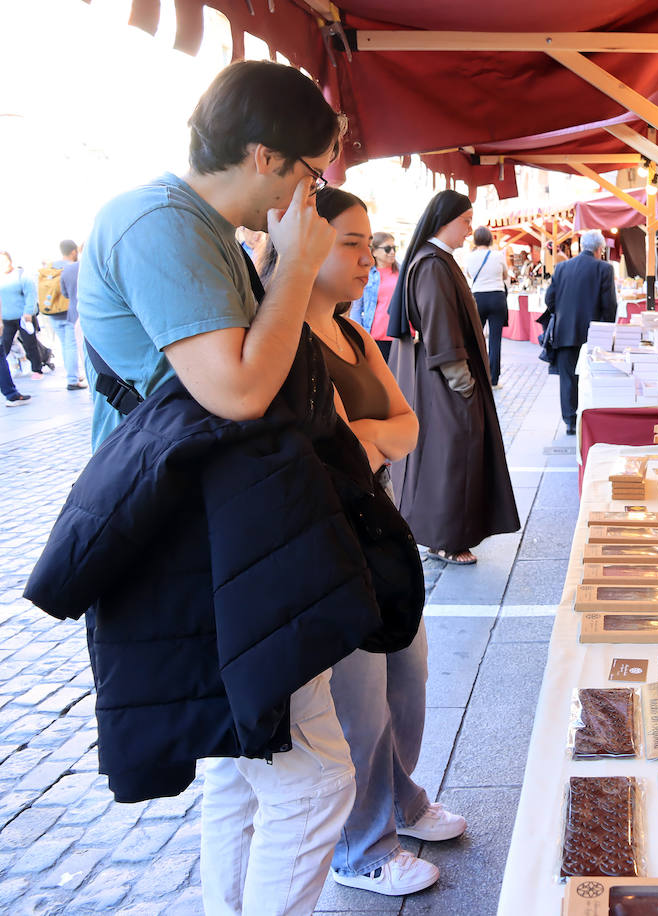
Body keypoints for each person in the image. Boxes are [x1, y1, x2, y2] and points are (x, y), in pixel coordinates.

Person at [66, 60, 360, 915]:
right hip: (193, 537)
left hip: (214, 533)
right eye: (313, 174)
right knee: (312, 784)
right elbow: (236, 390)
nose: (315, 195)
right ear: (268, 158)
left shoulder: (198, 229)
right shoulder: (162, 223)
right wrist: (296, 270)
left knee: (246, 766)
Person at [266, 187, 467, 896]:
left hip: (378, 530)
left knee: (406, 677)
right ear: (305, 242)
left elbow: (404, 427)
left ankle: (401, 798)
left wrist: (368, 440)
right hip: (326, 541)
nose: (368, 258)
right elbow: (321, 449)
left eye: (369, 242)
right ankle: (363, 848)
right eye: (351, 242)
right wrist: (369, 443)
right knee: (358, 699)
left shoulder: (350, 335)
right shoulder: (282, 337)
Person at [386, 190, 520, 565]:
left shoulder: (437, 260)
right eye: (465, 221)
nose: (469, 230)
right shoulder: (431, 265)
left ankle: (445, 534)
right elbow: (440, 327)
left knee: (450, 455)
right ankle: (445, 538)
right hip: (448, 382)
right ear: (445, 221)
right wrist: (463, 382)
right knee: (452, 456)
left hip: (447, 380)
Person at [544, 229, 618, 435]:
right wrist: (607, 329)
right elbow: (609, 304)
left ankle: (570, 421)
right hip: (593, 333)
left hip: (565, 331)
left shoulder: (562, 268)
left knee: (567, 377)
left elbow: (549, 300)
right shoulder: (604, 269)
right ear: (599, 249)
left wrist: (563, 313)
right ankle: (589, 417)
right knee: (591, 375)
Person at [465, 225, 508, 387]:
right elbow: (505, 275)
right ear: (490, 239)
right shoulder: (498, 255)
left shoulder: (470, 257)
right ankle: (494, 379)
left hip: (478, 297)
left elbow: (469, 274)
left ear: (475, 240)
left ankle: (475, 374)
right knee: (495, 340)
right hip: (497, 297)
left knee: (476, 338)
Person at [349, 231, 400, 361]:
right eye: (387, 249)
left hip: (400, 336)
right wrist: (359, 337)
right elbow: (356, 308)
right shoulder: (365, 274)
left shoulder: (403, 272)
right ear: (374, 252)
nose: (392, 252)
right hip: (375, 337)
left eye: (394, 248)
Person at [1, 251, 52, 380]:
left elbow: (31, 295)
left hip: (24, 317)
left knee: (30, 343)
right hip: (6, 318)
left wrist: (28, 311)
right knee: (4, 344)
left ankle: (37, 369)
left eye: (5, 261)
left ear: (10, 261)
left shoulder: (21, 276)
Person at [53, 240, 86, 390]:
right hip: (84, 313)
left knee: (70, 347)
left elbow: (65, 293)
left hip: (68, 314)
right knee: (78, 347)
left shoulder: (60, 269)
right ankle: (75, 379)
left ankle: (72, 377)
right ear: (74, 252)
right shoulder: (83, 266)